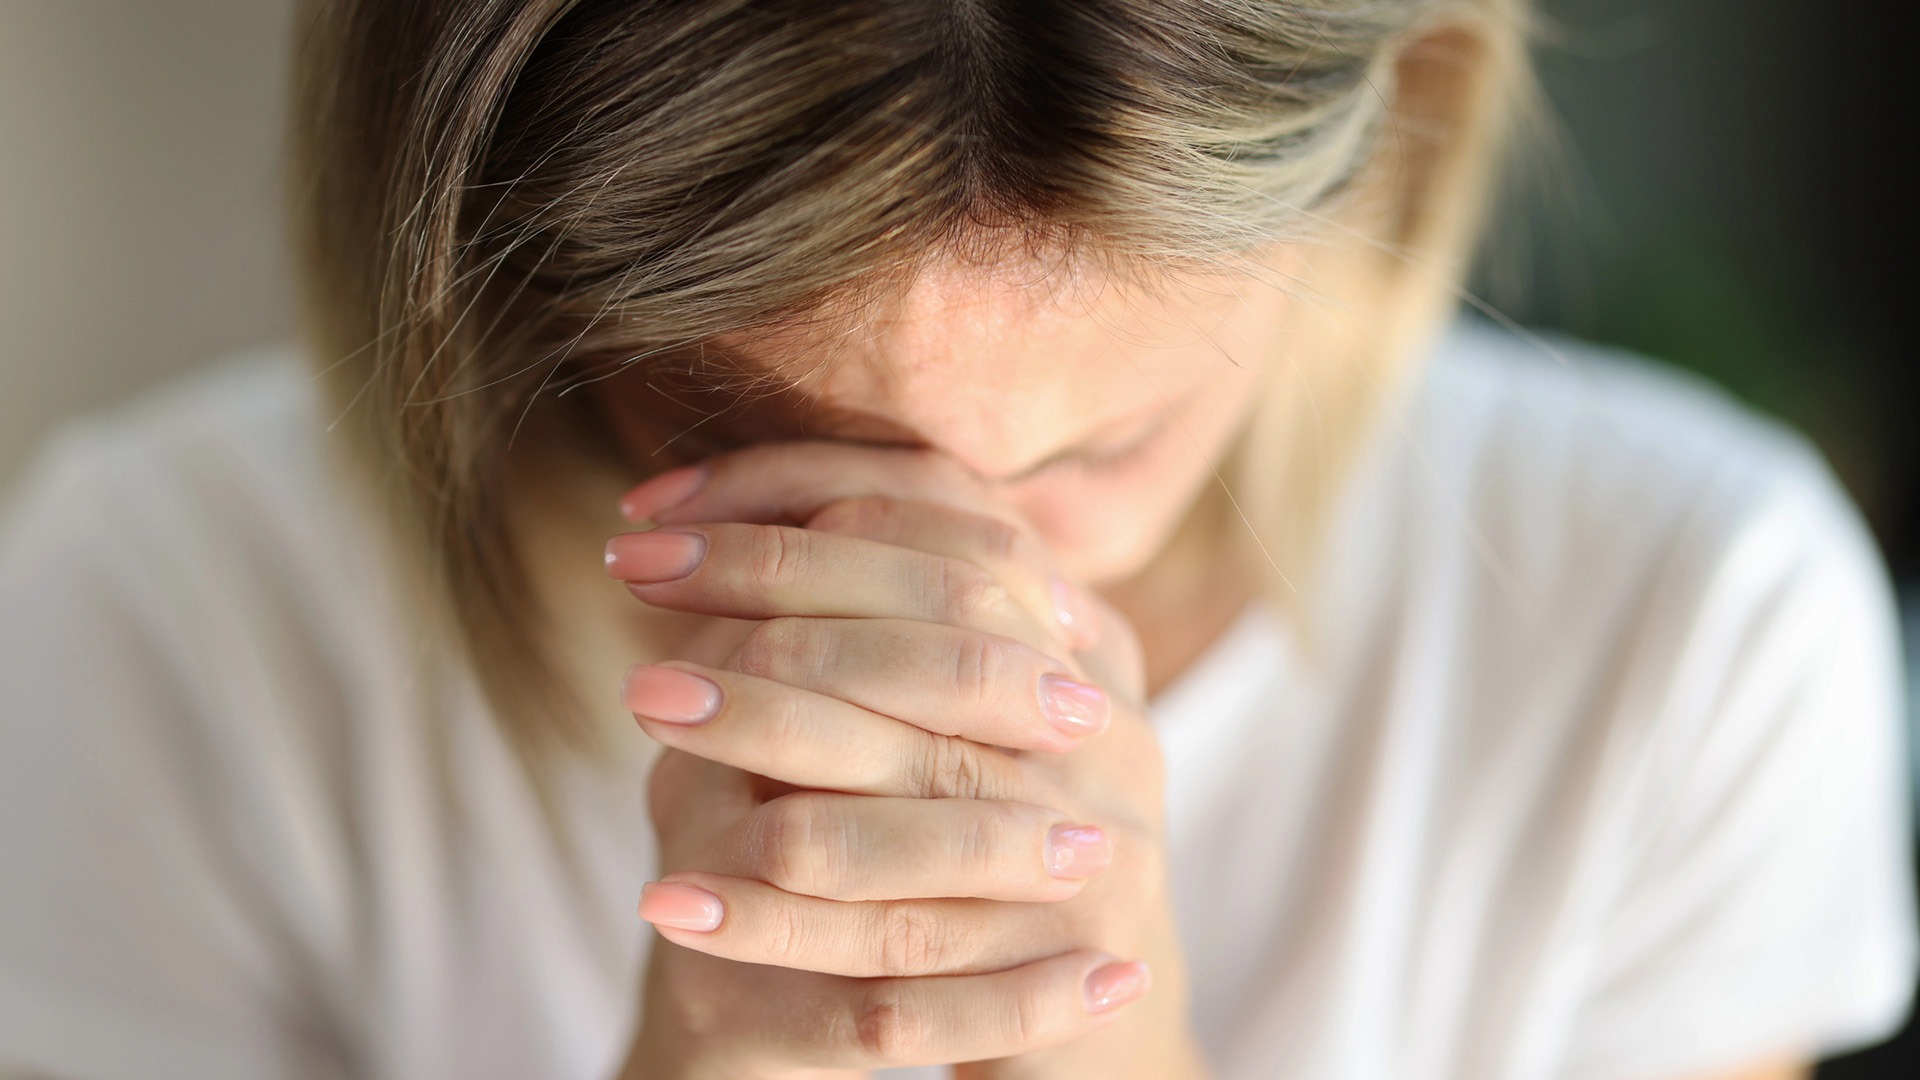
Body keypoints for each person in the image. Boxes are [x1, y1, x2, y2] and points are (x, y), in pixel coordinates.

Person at [0, 0, 1912, 1077]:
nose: (966, 567)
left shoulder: (1679, 625)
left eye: (1109, 439)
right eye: (744, 441)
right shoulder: (163, 618)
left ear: (1400, 133)